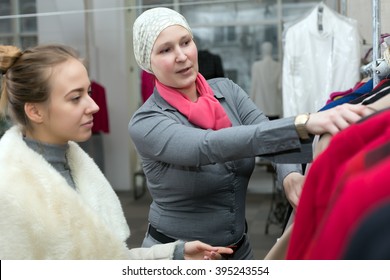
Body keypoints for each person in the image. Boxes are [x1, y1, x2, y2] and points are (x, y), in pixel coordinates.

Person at [129, 7, 373, 260]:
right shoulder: (147, 121)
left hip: (240, 251)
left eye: (186, 42)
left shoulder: (227, 91)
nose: (182, 56)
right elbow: (206, 146)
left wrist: (289, 175)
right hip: (179, 257)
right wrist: (303, 123)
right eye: (166, 50)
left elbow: (266, 132)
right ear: (148, 62)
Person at [0, 44, 233, 260]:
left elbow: (106, 259)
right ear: (35, 111)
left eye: (89, 92)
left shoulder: (76, 166)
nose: (94, 106)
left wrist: (175, 254)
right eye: (75, 98)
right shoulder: (9, 192)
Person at [250, 41, 282, 120]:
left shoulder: (256, 66)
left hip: (260, 108)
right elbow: (280, 86)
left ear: (262, 50)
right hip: (275, 107)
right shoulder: (278, 66)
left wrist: (249, 105)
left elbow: (253, 87)